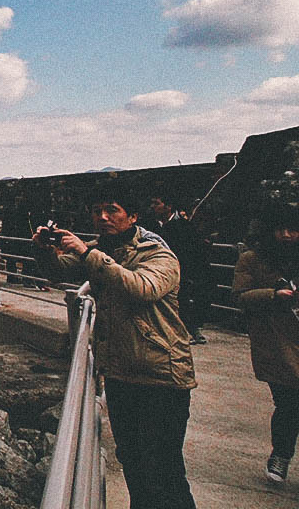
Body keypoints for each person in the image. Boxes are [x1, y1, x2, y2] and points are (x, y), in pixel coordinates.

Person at [33, 185, 197, 509]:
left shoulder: (158, 253)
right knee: (134, 465)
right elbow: (57, 272)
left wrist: (86, 253)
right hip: (122, 376)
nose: (103, 217)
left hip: (161, 376)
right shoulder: (102, 250)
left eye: (112, 210)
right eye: (97, 211)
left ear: (133, 216)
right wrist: (44, 250)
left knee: (162, 471)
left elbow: (142, 288)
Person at [232, 201, 299, 484]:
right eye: (280, 229)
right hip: (276, 342)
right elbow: (239, 296)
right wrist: (273, 294)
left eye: (293, 230)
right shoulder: (252, 258)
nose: (286, 235)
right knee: (288, 402)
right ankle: (281, 454)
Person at [149, 194, 213, 344]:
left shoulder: (185, 227)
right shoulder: (150, 225)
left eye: (156, 203)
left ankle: (191, 329)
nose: (153, 207)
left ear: (168, 206)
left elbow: (194, 251)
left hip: (181, 269)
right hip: (156, 269)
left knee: (183, 299)